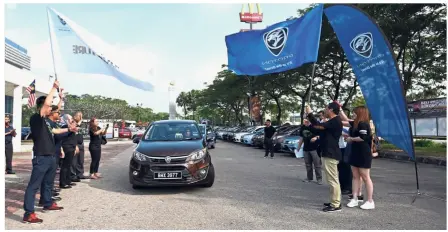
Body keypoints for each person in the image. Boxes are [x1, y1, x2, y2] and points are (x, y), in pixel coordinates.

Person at [23, 80, 77, 223]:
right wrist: (53, 88)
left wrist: (69, 129)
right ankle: (29, 213)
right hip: (41, 157)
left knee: (48, 183)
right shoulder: (37, 118)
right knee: (33, 186)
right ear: (42, 107)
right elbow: (47, 104)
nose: (51, 110)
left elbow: (56, 129)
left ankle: (47, 203)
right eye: (48, 107)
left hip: (51, 157)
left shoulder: (47, 121)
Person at [306, 102, 343, 212]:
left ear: (331, 110)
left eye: (326, 109)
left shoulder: (336, 121)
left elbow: (318, 125)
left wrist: (310, 114)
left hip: (331, 153)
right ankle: (334, 201)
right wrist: (309, 123)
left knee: (333, 180)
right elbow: (318, 129)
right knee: (331, 179)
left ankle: (336, 204)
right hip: (328, 152)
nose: (325, 110)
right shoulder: (332, 121)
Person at [340, 106, 375, 210]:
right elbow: (345, 120)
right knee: (355, 176)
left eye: (355, 113)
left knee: (365, 177)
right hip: (355, 152)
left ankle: (370, 200)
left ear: (360, 113)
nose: (353, 114)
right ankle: (355, 198)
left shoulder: (363, 124)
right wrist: (340, 109)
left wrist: (351, 138)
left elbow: (363, 138)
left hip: (363, 154)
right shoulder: (355, 123)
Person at [297, 118, 322, 185]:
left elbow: (321, 135)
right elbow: (301, 138)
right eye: (304, 120)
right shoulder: (302, 127)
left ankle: (319, 179)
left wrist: (316, 137)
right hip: (306, 148)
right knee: (308, 164)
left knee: (317, 165)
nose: (305, 121)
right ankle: (309, 178)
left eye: (307, 119)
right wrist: (298, 147)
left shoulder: (315, 126)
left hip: (315, 148)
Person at [60, 114, 79, 188]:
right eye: (70, 118)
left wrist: (75, 146)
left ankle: (68, 180)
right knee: (65, 166)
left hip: (71, 147)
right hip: (67, 147)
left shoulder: (71, 127)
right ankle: (63, 182)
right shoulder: (64, 127)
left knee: (69, 165)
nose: (72, 120)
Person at [72, 111, 88, 180]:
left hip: (81, 143)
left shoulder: (81, 124)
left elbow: (83, 132)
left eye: (81, 116)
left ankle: (80, 174)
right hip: (75, 144)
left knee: (80, 161)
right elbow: (73, 130)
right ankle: (72, 175)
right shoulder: (72, 123)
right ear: (75, 116)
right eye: (79, 116)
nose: (81, 117)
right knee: (73, 161)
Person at [338, 126, 352, 195]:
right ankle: (342, 186)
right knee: (340, 169)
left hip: (346, 148)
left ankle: (348, 188)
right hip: (339, 148)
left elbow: (347, 134)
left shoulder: (346, 126)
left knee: (346, 168)